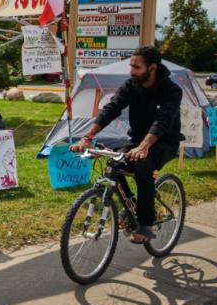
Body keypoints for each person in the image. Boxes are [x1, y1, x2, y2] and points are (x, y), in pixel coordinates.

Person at [70, 46, 183, 244]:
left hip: (164, 142)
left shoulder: (172, 90)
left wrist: (145, 146)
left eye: (137, 67)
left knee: (143, 165)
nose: (132, 71)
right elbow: (111, 109)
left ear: (152, 68)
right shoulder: (131, 85)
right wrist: (87, 136)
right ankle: (131, 205)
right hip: (137, 141)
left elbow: (162, 120)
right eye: (131, 66)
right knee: (113, 165)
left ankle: (146, 223)